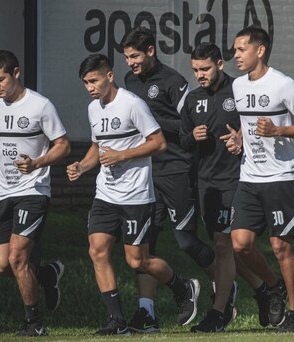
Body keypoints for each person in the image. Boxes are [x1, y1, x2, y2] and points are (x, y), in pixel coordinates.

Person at [66, 54, 200, 336]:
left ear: (109, 76)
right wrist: (82, 166)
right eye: (85, 83)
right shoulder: (94, 109)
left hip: (136, 196)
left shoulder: (132, 104)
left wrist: (123, 155)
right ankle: (116, 321)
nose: (90, 87)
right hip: (106, 194)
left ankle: (183, 286)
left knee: (137, 260)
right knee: (97, 250)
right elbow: (97, 148)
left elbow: (159, 142)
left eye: (94, 80)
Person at [220, 26, 294, 333]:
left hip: (281, 177)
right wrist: (238, 138)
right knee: (240, 244)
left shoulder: (283, 85)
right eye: (235, 50)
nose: (235, 55)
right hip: (249, 177)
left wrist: (278, 130)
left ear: (259, 51)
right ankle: (273, 287)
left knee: (281, 247)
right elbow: (247, 126)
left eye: (241, 49)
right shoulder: (237, 86)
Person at [119, 26, 216, 333]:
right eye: (126, 57)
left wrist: (147, 119)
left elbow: (189, 126)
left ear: (151, 51)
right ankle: (146, 312)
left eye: (135, 56)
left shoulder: (174, 82)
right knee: (145, 245)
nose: (130, 63)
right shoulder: (129, 82)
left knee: (186, 240)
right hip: (144, 173)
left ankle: (223, 289)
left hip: (175, 169)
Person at [0, 50, 71, 336]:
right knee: (2, 264)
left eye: (1, 79)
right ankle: (47, 274)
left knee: (18, 258)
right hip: (2, 192)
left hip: (34, 189)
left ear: (16, 73)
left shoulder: (40, 106)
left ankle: (34, 324)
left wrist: (37, 163)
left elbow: (63, 145)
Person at [179, 43, 268, 332]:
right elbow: (183, 141)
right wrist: (192, 136)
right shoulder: (193, 100)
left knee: (222, 244)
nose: (200, 75)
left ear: (219, 63)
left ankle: (219, 312)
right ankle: (263, 289)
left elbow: (259, 122)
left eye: (205, 69)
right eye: (195, 70)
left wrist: (241, 137)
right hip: (207, 183)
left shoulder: (240, 90)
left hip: (237, 178)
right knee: (225, 250)